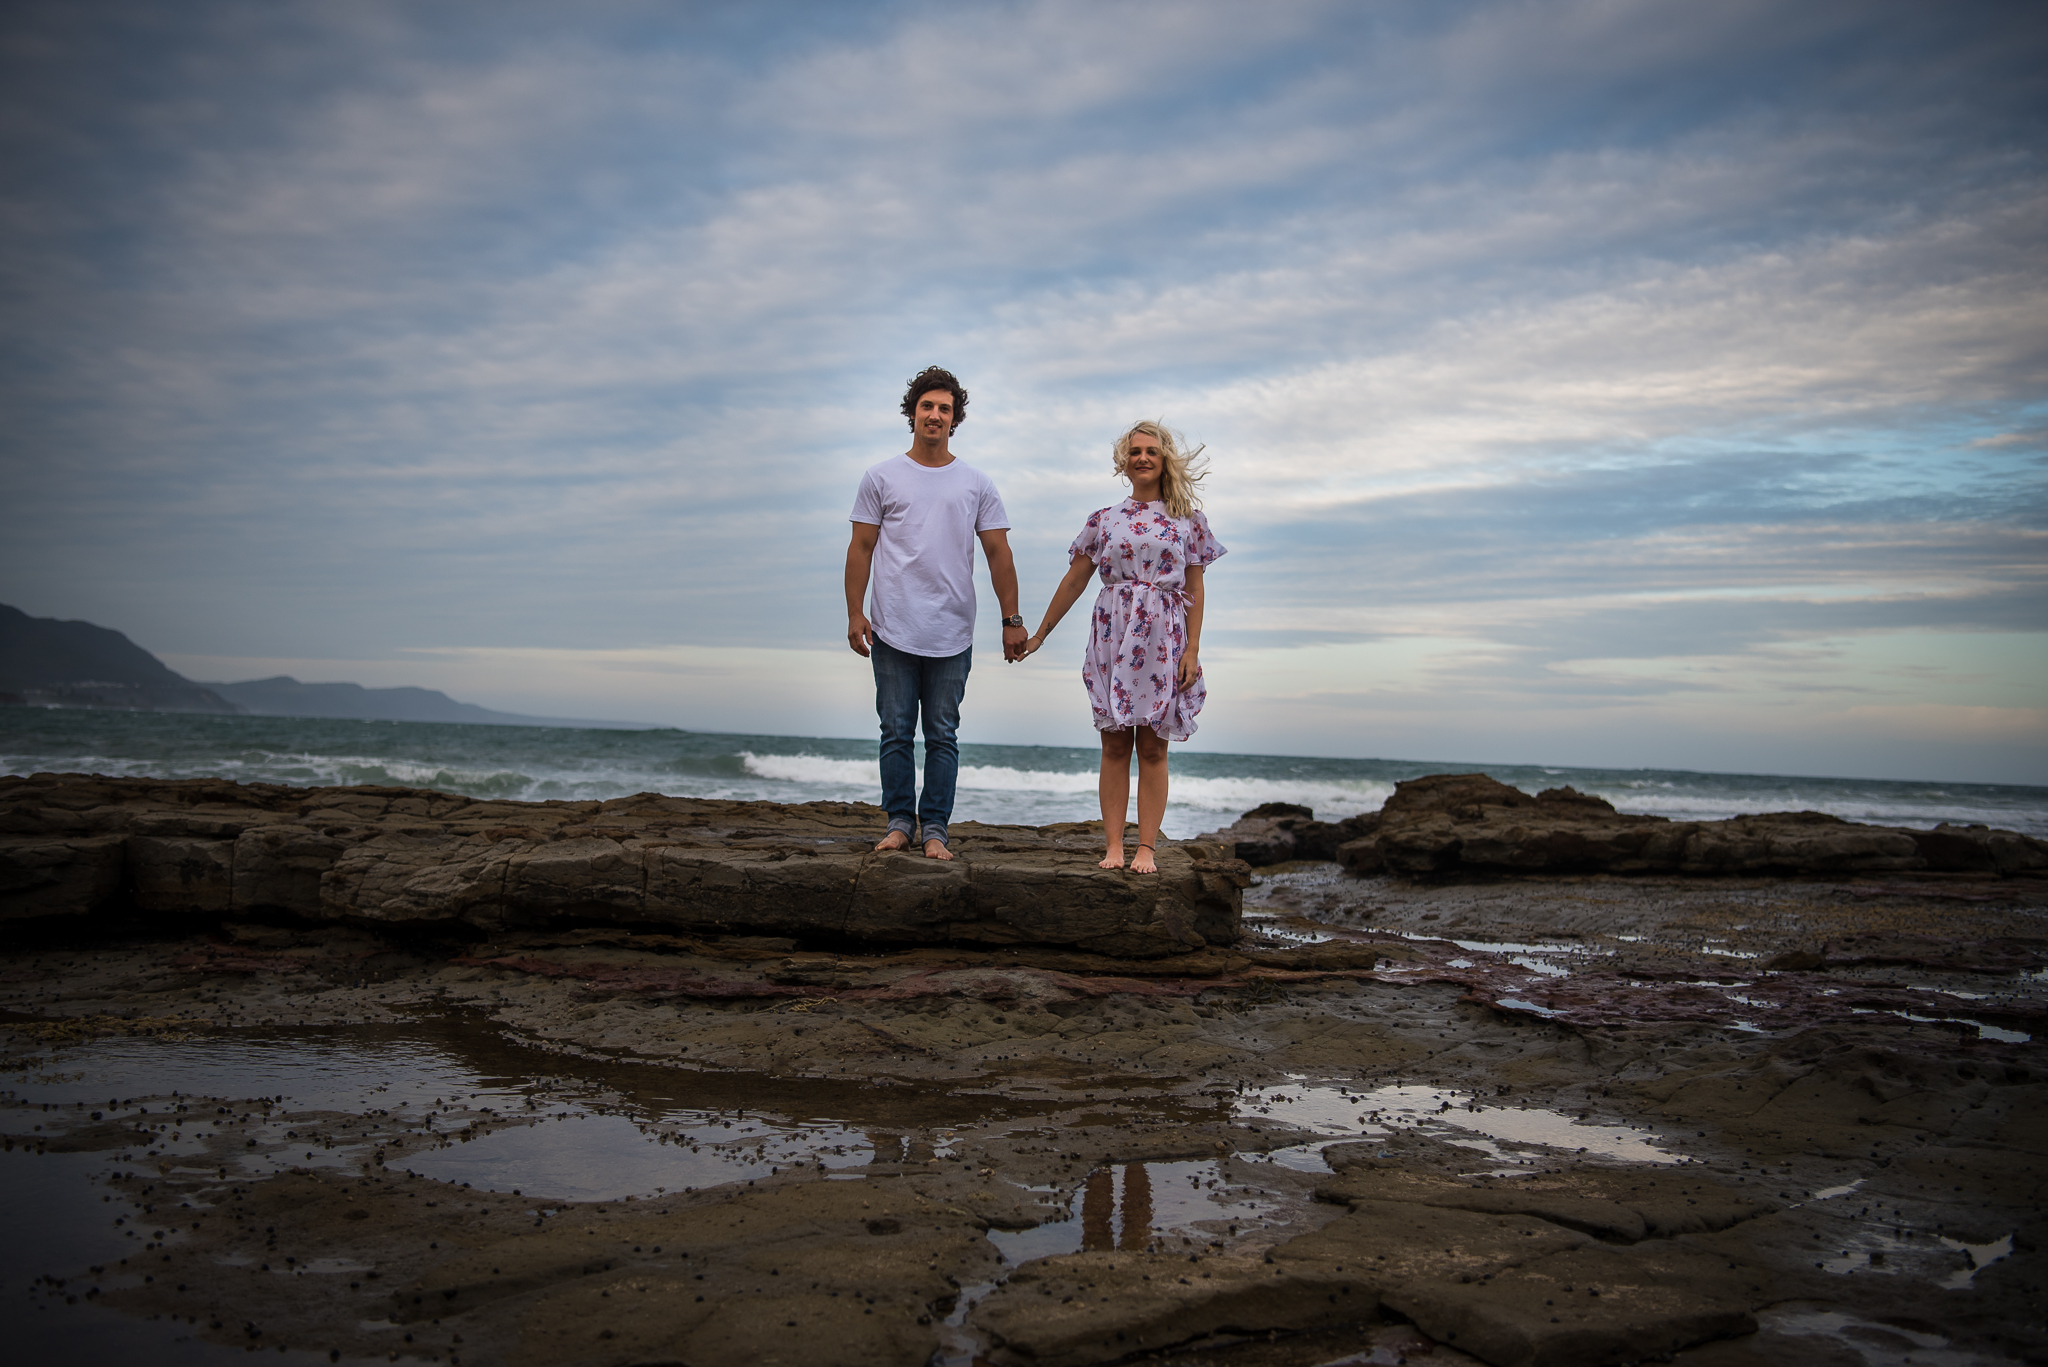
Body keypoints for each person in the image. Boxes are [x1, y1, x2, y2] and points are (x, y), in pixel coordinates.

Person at [1019, 421, 1225, 873]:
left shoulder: (1188, 520)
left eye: (1152, 451)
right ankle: (1114, 846)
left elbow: (1195, 587)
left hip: (1163, 637)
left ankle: (1146, 848)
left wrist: (1192, 650)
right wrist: (1039, 634)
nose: (1143, 458)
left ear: (1164, 459)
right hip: (1112, 632)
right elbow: (1075, 579)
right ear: (1124, 461)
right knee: (1114, 744)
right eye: (1135, 451)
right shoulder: (1104, 519)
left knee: (1153, 747)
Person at [846, 366, 1029, 860]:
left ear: (955, 419)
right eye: (927, 406)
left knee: (943, 734)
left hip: (952, 630)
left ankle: (935, 829)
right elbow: (861, 548)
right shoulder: (881, 476)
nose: (935, 415)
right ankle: (900, 821)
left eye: (944, 408)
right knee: (895, 730)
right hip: (892, 627)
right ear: (912, 413)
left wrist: (1011, 621)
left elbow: (998, 555)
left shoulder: (975, 483)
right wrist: (854, 613)